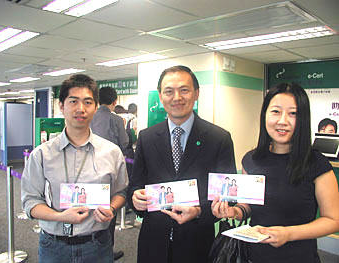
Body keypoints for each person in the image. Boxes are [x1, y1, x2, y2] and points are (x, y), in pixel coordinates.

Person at [212, 82, 339, 263]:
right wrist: (233, 212)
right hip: (254, 257)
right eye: (276, 111)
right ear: (265, 115)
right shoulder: (251, 160)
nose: (282, 121)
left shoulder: (317, 164)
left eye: (293, 113)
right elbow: (248, 207)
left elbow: (333, 220)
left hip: (299, 257)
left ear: (303, 119)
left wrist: (289, 233)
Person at [128, 65, 236, 263]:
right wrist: (135, 199)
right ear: (161, 97)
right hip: (153, 243)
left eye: (184, 90)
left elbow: (227, 196)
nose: (176, 97)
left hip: (196, 243)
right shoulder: (147, 137)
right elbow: (135, 185)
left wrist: (199, 211)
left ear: (196, 94)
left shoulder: (219, 138)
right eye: (169, 91)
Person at [21, 74, 128, 263]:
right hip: (54, 246)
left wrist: (111, 207)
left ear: (95, 107)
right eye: (73, 101)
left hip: (97, 244)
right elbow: (30, 202)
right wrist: (60, 216)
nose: (81, 109)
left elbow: (121, 191)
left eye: (88, 102)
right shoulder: (41, 154)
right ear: (62, 106)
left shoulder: (112, 152)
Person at [90, 86, 128, 261]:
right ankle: (106, 251)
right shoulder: (116, 120)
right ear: (115, 102)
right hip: (108, 170)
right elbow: (124, 143)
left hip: (87, 170)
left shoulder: (88, 116)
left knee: (87, 208)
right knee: (108, 211)